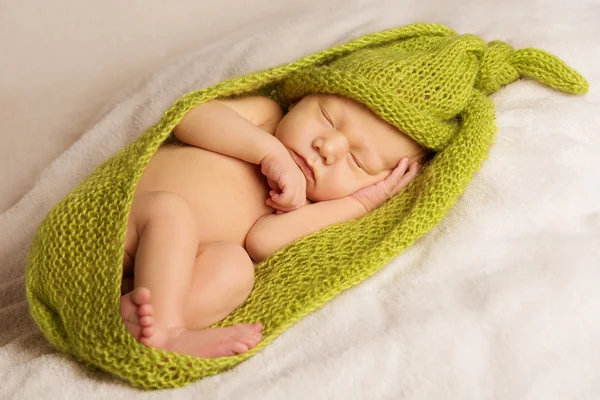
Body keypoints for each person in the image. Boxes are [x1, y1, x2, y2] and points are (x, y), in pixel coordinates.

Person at [119, 93, 424, 359]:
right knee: (171, 211)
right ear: (297, 101)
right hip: (123, 222)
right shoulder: (265, 119)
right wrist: (269, 152)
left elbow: (262, 241)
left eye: (357, 161)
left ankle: (140, 321)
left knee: (235, 268)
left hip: (147, 278)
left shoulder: (305, 206)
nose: (328, 147)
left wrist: (360, 203)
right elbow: (190, 117)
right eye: (328, 119)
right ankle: (168, 331)